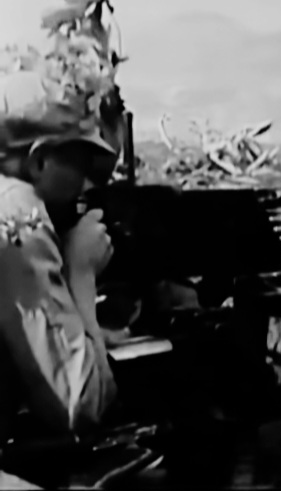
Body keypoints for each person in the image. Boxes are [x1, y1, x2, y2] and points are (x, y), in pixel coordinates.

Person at [0, 70, 122, 487]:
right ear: (39, 161)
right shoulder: (19, 216)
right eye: (81, 164)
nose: (88, 184)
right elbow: (79, 403)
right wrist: (80, 272)